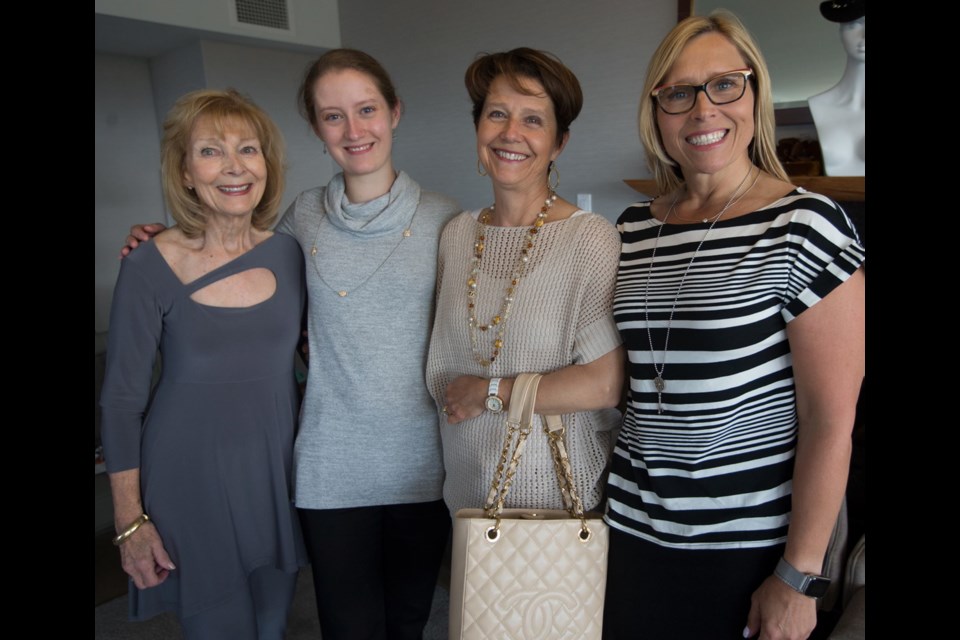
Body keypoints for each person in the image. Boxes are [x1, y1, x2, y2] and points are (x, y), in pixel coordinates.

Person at [122, 49, 460, 640]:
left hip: (423, 466)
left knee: (408, 623)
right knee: (346, 626)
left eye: (367, 110)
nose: (354, 130)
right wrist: (156, 241)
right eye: (333, 116)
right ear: (315, 128)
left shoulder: (447, 221)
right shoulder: (301, 222)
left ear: (395, 112)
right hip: (328, 468)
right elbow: (225, 252)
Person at [604, 11, 865, 640]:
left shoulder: (805, 226)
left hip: (745, 552)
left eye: (725, 84)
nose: (702, 110)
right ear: (656, 109)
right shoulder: (634, 227)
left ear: (754, 93)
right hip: (627, 533)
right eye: (678, 93)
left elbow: (831, 420)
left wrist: (798, 577)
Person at [100, 89, 307, 639]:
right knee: (219, 627)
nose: (235, 166)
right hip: (189, 481)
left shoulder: (290, 253)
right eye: (212, 151)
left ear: (267, 164)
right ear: (186, 172)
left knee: (270, 624)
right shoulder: (148, 264)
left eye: (248, 149)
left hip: (274, 474)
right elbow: (121, 400)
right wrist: (129, 520)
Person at [426, 48, 624, 517]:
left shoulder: (588, 238)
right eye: (497, 114)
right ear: (478, 128)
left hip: (555, 501)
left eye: (533, 120)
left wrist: (489, 392)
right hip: (466, 495)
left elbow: (604, 385)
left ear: (559, 143)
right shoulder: (456, 234)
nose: (510, 133)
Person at [808, 0, 865, 176]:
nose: (863, 35)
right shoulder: (818, 104)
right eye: (853, 25)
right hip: (833, 200)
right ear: (840, 32)